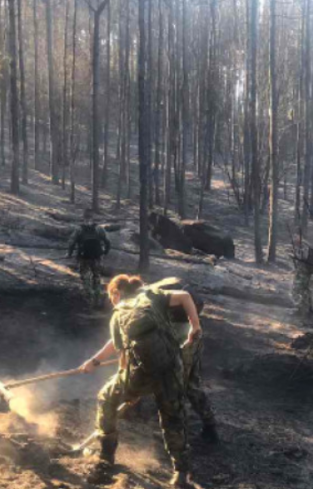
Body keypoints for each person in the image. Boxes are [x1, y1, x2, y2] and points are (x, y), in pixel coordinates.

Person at [78, 275, 202, 488]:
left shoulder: (119, 312)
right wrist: (195, 326)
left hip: (139, 373)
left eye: (111, 297)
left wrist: (103, 368)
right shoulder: (152, 296)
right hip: (171, 369)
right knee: (173, 418)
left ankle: (106, 456)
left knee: (105, 398)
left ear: (116, 293)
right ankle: (181, 474)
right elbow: (184, 296)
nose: (112, 302)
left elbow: (120, 351)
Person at [152, 278, 218, 444]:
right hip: (189, 336)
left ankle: (180, 430)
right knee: (189, 384)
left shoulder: (152, 299)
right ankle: (208, 424)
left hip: (185, 338)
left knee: (180, 384)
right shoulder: (160, 296)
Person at [67, 209, 112, 308]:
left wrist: (69, 254)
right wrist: (105, 252)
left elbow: (71, 243)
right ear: (93, 218)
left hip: (84, 257)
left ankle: (89, 298)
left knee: (85, 277)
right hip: (97, 257)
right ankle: (97, 298)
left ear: (83, 218)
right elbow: (107, 242)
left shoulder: (79, 229)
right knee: (97, 277)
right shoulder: (99, 228)